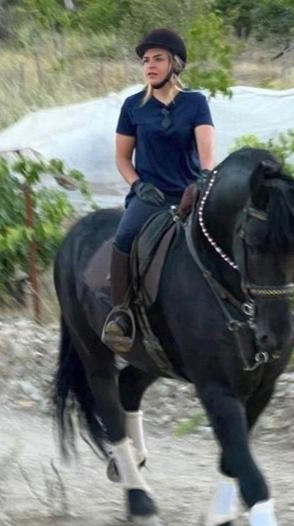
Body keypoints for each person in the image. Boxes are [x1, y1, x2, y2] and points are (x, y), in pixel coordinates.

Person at [102, 28, 216, 353]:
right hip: (150, 196)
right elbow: (122, 158)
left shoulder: (195, 103)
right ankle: (122, 313)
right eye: (145, 60)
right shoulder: (132, 106)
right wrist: (138, 184)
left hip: (189, 194)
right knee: (124, 237)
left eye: (158, 59)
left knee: (228, 232)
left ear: (174, 64)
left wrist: (200, 184)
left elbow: (207, 158)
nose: (149, 65)